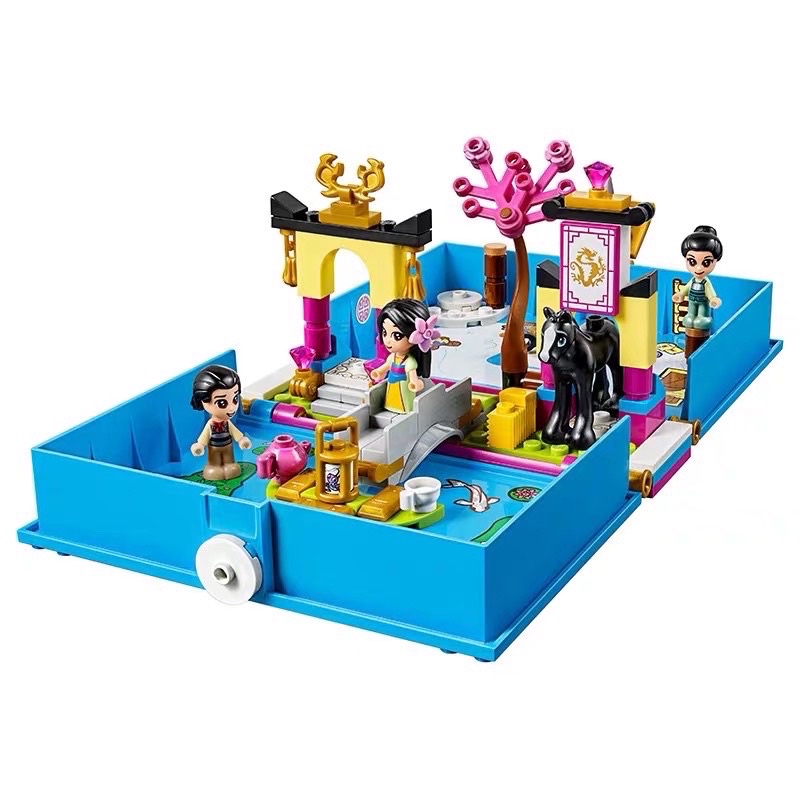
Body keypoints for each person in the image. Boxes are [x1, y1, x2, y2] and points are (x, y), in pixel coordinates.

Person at [369, 298, 440, 413]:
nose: (387, 340)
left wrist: (415, 383)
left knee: (403, 400)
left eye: (396, 336)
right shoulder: (392, 357)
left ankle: (404, 408)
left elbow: (413, 376)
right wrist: (378, 372)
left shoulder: (409, 361)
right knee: (392, 396)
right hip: (392, 385)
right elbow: (386, 367)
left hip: (404, 387)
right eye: (385, 333)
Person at [190, 365, 252, 480]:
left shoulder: (227, 423)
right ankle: (214, 467)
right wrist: (200, 445)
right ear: (204, 401)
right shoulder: (210, 425)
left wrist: (241, 440)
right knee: (214, 462)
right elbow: (204, 436)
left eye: (235, 399)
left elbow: (235, 433)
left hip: (227, 445)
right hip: (214, 447)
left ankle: (229, 465)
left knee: (230, 461)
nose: (232, 408)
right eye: (222, 403)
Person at [672, 225, 723, 332]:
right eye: (692, 262)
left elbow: (710, 293)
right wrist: (680, 294)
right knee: (690, 316)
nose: (698, 268)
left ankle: (703, 318)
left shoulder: (705, 282)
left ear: (715, 260)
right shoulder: (693, 280)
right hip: (692, 301)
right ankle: (691, 316)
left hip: (703, 302)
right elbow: (686, 288)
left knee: (701, 316)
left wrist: (713, 299)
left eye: (706, 262)